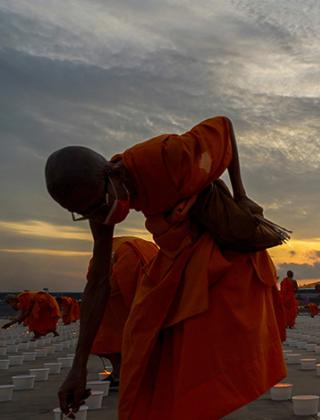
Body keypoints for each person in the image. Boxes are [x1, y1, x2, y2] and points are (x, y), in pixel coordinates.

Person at [46, 116, 287, 419]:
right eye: (86, 213)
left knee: (202, 344)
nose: (100, 214)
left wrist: (240, 193)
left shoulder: (165, 157)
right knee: (140, 334)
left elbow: (223, 128)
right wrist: (78, 367)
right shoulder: (101, 208)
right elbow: (98, 283)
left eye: (99, 204)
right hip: (177, 259)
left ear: (114, 172)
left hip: (223, 255)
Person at [90, 236, 158, 389]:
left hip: (119, 300)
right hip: (126, 300)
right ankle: (125, 373)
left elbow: (95, 280)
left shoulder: (122, 251)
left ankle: (122, 373)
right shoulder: (129, 249)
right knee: (125, 338)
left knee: (117, 339)